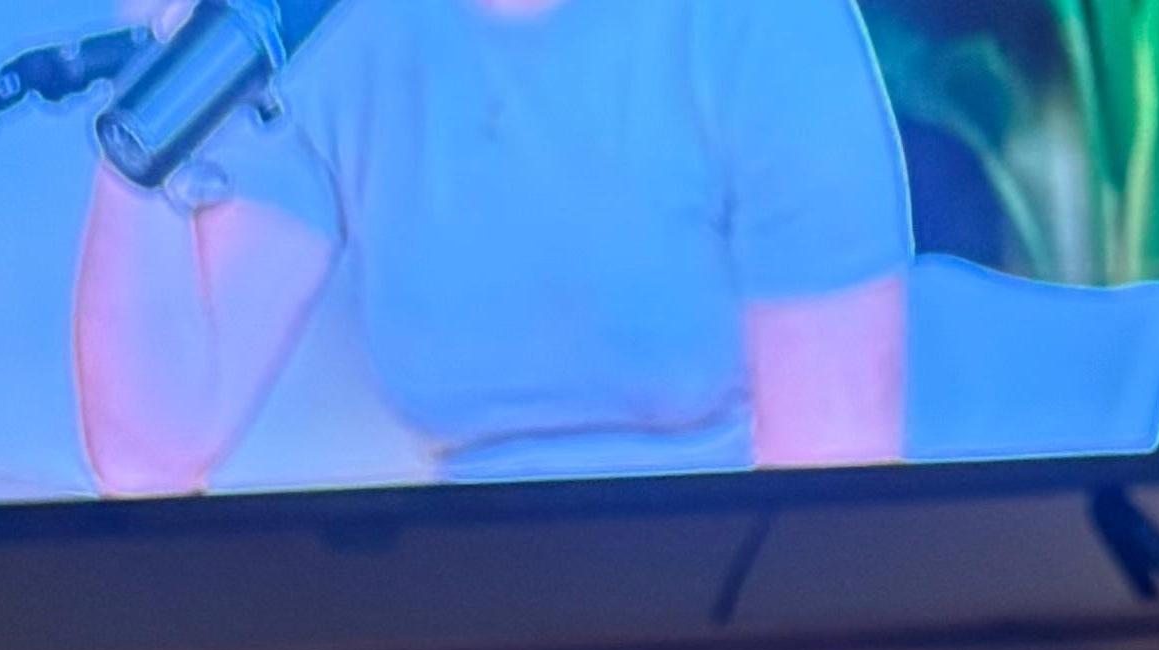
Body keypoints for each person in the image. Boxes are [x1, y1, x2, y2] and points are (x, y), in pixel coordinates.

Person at [73, 0, 913, 492]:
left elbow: (833, 487)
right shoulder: (342, 37)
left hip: (722, 612)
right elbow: (153, 452)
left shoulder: (766, 26)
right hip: (459, 623)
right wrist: (141, 136)